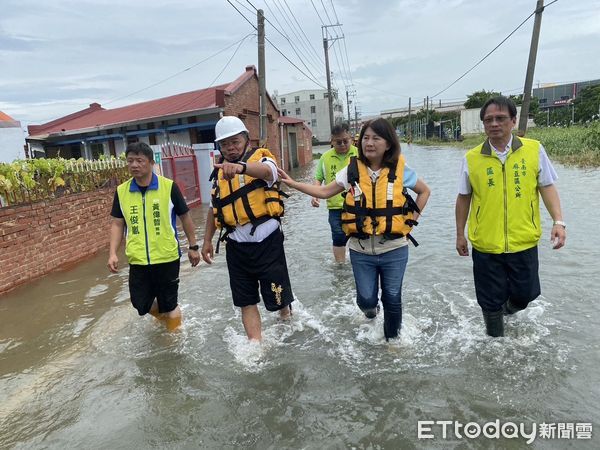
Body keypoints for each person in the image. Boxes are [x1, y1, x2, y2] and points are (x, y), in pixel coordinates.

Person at [278, 118, 431, 340]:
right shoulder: (351, 170)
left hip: (394, 248)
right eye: (366, 138)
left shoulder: (400, 169)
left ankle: (393, 342)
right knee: (367, 300)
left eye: (376, 138)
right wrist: (293, 184)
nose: (369, 143)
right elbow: (323, 192)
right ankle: (371, 313)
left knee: (393, 297)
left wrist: (411, 223)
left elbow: (424, 191)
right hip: (361, 250)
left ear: (388, 144)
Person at [455, 96, 566, 337]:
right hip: (486, 243)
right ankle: (494, 347)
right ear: (483, 125)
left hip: (523, 240)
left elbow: (546, 187)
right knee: (488, 301)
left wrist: (558, 221)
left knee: (525, 295)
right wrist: (459, 234)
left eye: (500, 118)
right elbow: (464, 197)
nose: (494, 124)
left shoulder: (534, 149)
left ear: (513, 121)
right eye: (488, 120)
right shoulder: (471, 158)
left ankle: (508, 310)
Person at [201, 116, 293, 341]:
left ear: (246, 139)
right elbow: (215, 209)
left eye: (235, 142)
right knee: (246, 301)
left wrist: (241, 167)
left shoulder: (263, 158)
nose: (230, 148)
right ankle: (256, 344)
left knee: (278, 298)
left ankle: (286, 317)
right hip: (237, 247)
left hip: (268, 243)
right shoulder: (218, 174)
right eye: (224, 144)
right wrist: (206, 242)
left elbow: (268, 173)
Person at [108, 142, 200, 331]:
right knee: (140, 304)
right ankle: (169, 320)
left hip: (166, 257)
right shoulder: (121, 191)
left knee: (169, 304)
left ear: (151, 162)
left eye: (139, 160)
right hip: (138, 259)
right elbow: (117, 223)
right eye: (130, 161)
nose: (134, 165)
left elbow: (185, 217)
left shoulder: (169, 187)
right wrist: (113, 253)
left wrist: (193, 246)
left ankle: (173, 341)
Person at [312, 123, 358, 262]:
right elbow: (318, 178)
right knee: (338, 235)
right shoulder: (325, 157)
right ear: (332, 141)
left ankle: (358, 261)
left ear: (351, 138)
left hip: (358, 204)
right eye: (339, 142)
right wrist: (315, 195)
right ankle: (340, 265)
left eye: (346, 141)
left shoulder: (359, 153)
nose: (343, 144)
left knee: (360, 233)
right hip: (335, 206)